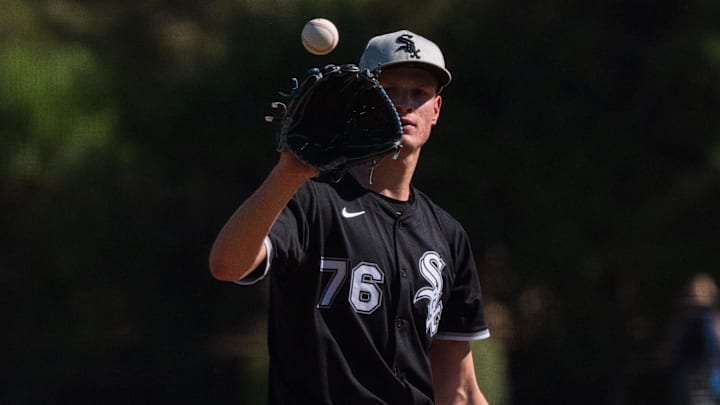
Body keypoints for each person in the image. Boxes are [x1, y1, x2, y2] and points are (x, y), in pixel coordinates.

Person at [209, 29, 491, 405]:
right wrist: (289, 173)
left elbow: (458, 389)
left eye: (419, 93)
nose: (406, 104)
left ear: (435, 110)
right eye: (390, 90)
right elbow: (227, 264)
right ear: (364, 102)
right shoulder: (311, 203)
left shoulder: (447, 234)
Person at [665, 273, 720, 405]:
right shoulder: (714, 318)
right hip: (709, 378)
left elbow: (671, 350)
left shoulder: (684, 319)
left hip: (691, 378)